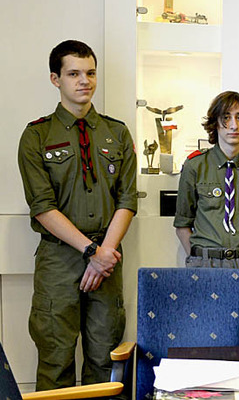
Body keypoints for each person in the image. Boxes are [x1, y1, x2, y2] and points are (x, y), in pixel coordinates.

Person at [17, 40, 137, 389]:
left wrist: (103, 254)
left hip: (108, 258)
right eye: (74, 74)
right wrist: (90, 252)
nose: (84, 81)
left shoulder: (117, 132)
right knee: (55, 360)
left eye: (90, 73)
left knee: (106, 358)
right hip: (59, 261)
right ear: (55, 79)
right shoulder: (37, 135)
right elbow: (42, 206)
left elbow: (127, 199)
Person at [174, 91, 239, 345]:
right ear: (215, 123)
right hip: (205, 265)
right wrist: (199, 256)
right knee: (204, 337)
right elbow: (183, 223)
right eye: (226, 117)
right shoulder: (195, 165)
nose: (233, 125)